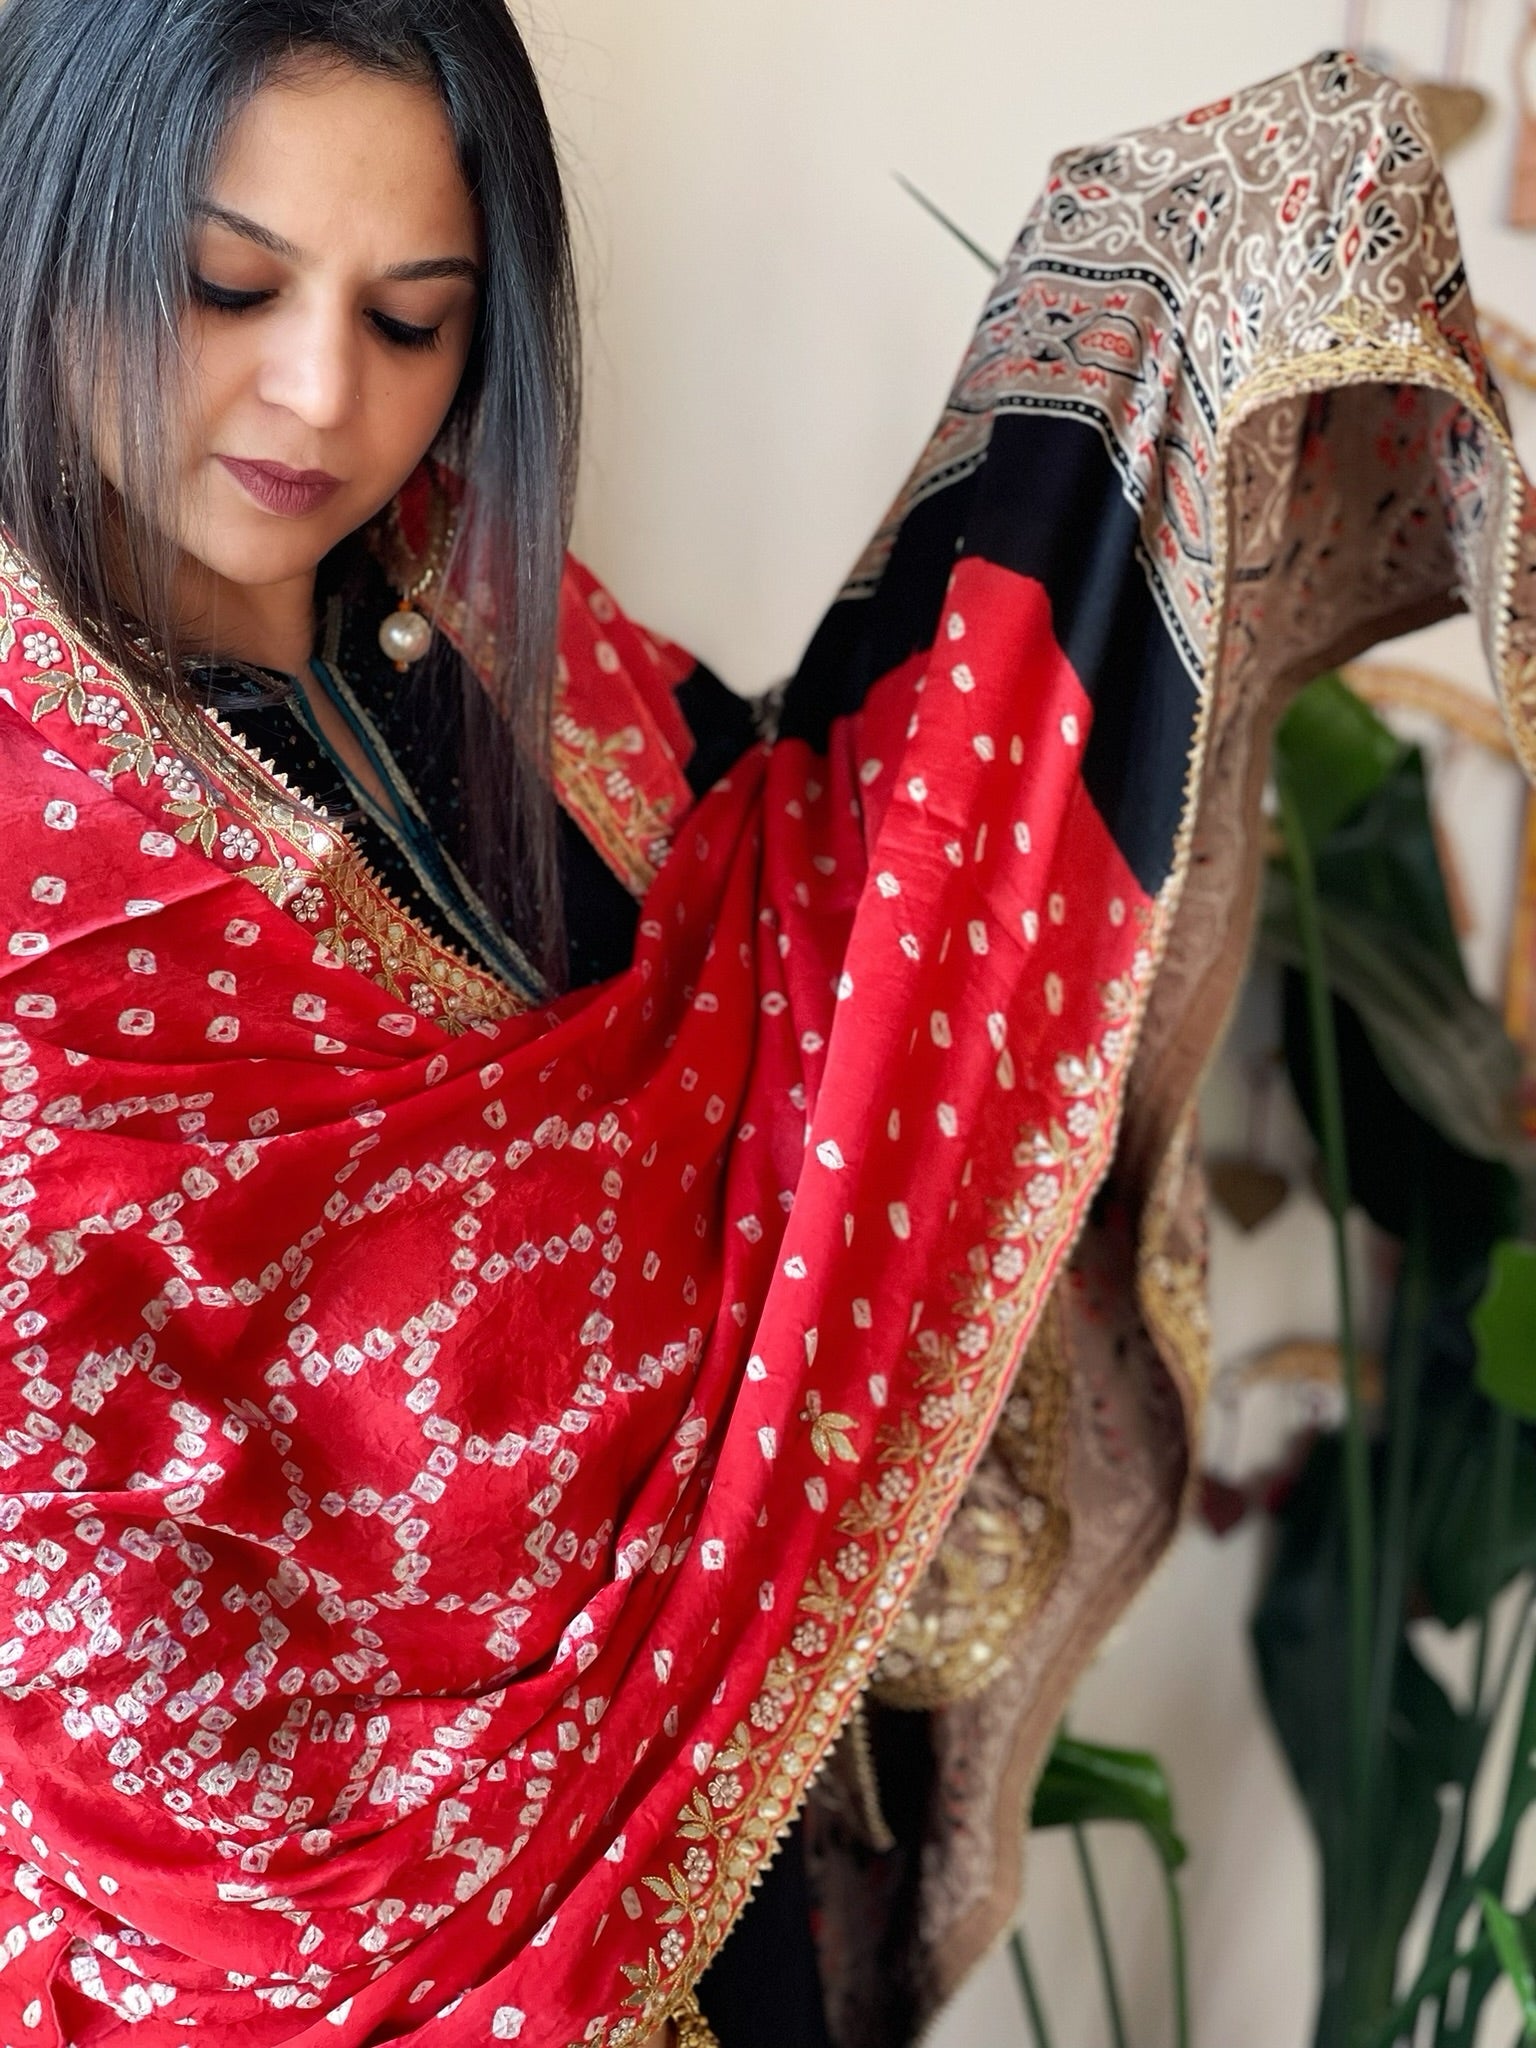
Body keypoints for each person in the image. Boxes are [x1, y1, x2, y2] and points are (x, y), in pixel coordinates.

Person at [0, 5, 1528, 2044]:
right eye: (224, 283)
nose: (317, 394)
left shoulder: (488, 618)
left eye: (416, 319)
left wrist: (1147, 339)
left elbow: (835, 926)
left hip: (716, 1853)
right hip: (281, 1969)